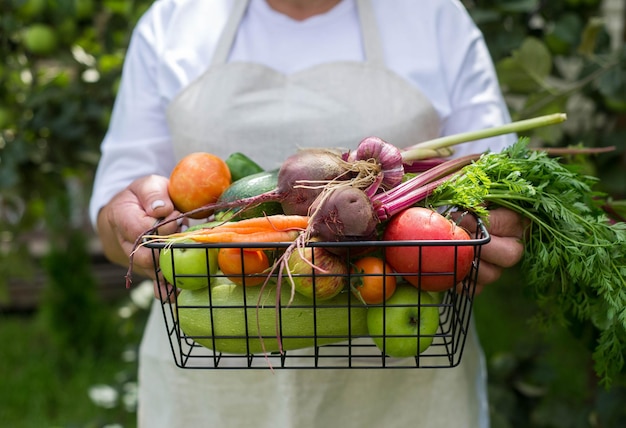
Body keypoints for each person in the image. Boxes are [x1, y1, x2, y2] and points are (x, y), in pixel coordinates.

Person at [89, 0, 526, 426]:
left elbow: (497, 178)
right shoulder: (175, 21)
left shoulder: (435, 17)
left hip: (408, 389)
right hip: (208, 386)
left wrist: (492, 227)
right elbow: (114, 219)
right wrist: (127, 221)